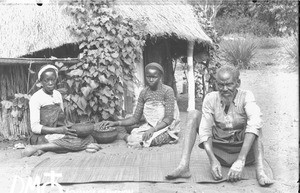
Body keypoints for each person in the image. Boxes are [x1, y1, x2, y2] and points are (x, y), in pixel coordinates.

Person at [166, 65, 273, 186]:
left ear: (238, 83)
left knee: (256, 124)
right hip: (220, 152)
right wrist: (212, 160)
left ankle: (260, 172)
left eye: (229, 84)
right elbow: (205, 130)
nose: (225, 89)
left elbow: (254, 123)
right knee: (193, 115)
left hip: (244, 152)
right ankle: (183, 166)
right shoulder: (210, 98)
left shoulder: (247, 96)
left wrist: (240, 160)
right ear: (216, 84)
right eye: (221, 85)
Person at [98, 62, 180, 147]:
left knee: (154, 139)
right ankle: (133, 140)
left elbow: (168, 119)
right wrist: (115, 123)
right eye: (148, 77)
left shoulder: (167, 91)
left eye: (154, 77)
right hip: (150, 126)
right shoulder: (144, 93)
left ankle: (138, 142)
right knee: (135, 135)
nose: (151, 80)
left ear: (160, 77)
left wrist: (153, 129)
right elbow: (135, 119)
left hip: (165, 127)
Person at [22, 64, 96, 157]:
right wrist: (59, 130)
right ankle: (37, 147)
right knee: (76, 141)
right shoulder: (36, 98)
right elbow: (35, 128)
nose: (50, 83)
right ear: (41, 82)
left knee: (89, 137)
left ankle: (44, 148)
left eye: (52, 79)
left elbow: (61, 119)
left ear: (56, 80)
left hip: (58, 133)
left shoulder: (57, 95)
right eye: (46, 80)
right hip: (43, 136)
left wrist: (69, 129)